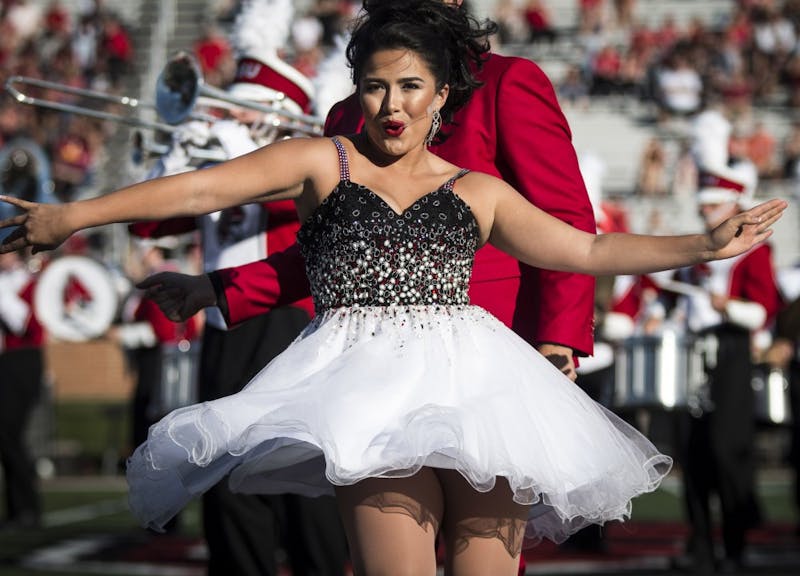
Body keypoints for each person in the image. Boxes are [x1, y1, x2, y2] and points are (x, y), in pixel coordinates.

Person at [0, 2, 787, 574]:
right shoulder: (332, 148)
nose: (391, 104)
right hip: (370, 387)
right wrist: (76, 215)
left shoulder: (483, 170)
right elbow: (203, 193)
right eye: (376, 87)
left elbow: (580, 240)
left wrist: (698, 243)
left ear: (443, 90)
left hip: (487, 375)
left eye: (411, 86)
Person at [138, 0, 598, 388]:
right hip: (371, 362)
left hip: (488, 350)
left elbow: (564, 219)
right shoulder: (347, 115)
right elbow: (333, 253)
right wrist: (216, 287)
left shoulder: (505, 83)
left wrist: (556, 339)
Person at [128, 1, 347, 573]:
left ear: (287, 118)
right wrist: (176, 158)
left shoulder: (310, 165)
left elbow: (289, 203)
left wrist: (226, 161)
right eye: (236, 112)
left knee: (301, 479)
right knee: (225, 475)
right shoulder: (222, 156)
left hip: (289, 324)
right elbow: (147, 224)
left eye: (252, 115)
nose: (237, 123)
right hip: (225, 323)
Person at [0, 248, 44, 530]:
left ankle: (27, 508)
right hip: (7, 361)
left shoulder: (30, 283)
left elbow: (27, 324)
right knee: (6, 435)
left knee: (9, 432)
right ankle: (18, 509)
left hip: (23, 359)